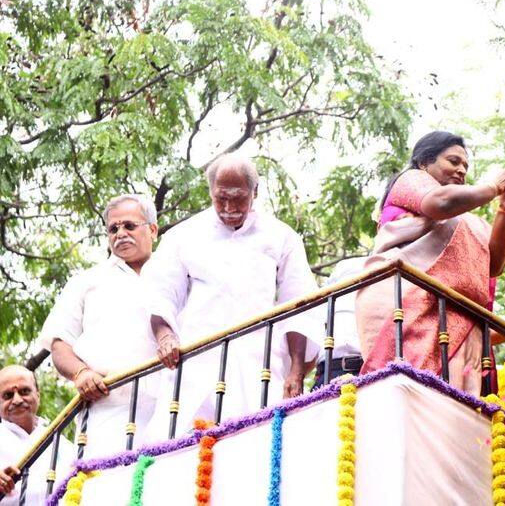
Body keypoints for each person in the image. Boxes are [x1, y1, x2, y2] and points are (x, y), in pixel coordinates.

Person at [143, 154, 319, 439]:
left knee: (256, 444)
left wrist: (296, 371)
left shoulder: (281, 236)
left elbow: (299, 300)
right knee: (180, 447)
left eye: (238, 198)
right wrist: (165, 336)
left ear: (255, 192)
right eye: (220, 198)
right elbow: (160, 291)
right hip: (195, 362)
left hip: (258, 362)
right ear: (211, 192)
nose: (228, 208)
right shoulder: (183, 236)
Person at [356, 131, 505, 394]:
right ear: (424, 163)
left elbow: (494, 266)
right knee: (407, 393)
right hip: (407, 303)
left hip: (455, 318)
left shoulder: (467, 221)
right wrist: (494, 187)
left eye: (465, 166)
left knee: (456, 410)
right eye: (453, 161)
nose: (461, 170)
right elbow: (441, 202)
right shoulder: (411, 180)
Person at [38, 194, 159, 458]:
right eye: (113, 229)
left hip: (172, 405)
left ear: (152, 229)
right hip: (108, 408)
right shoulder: (87, 281)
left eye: (129, 226)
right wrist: (81, 373)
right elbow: (59, 344)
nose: (120, 234)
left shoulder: (174, 275)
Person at [0, 365, 75, 506]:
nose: (17, 400)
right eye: (8, 395)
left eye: (24, 391)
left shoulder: (61, 443)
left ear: (38, 395)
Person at [312, 257, 367, 389]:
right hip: (326, 372)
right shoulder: (346, 266)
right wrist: (298, 374)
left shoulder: (402, 263)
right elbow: (317, 315)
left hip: (368, 370)